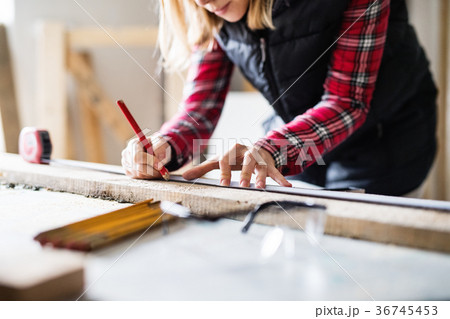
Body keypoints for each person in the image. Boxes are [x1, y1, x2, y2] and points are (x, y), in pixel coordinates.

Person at [121, 0, 437, 196]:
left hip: (387, 140)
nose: (202, 1)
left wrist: (272, 149)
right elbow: (200, 109)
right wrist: (166, 146)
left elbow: (346, 102)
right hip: (302, 138)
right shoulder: (207, 8)